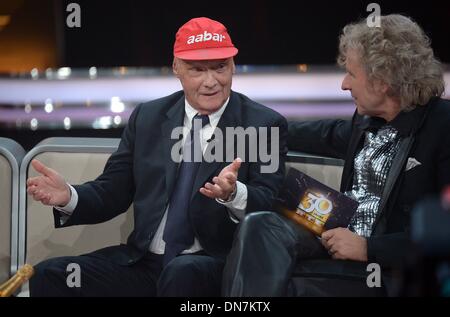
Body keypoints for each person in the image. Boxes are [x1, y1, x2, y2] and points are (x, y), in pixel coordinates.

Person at [27, 17, 287, 297]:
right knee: (51, 276)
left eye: (220, 67)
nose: (211, 81)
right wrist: (69, 196)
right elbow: (113, 190)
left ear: (233, 65)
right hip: (145, 264)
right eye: (197, 70)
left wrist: (234, 194)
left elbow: (270, 206)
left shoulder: (263, 124)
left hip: (215, 266)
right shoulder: (148, 117)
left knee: (182, 272)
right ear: (176, 68)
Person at [222, 14, 450, 297]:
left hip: (385, 268)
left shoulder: (442, 127)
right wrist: (252, 130)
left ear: (383, 81)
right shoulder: (366, 120)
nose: (344, 84)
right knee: (261, 225)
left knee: (289, 287)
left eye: (352, 74)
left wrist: (369, 248)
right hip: (335, 230)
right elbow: (324, 134)